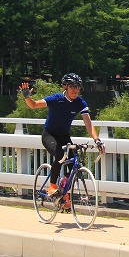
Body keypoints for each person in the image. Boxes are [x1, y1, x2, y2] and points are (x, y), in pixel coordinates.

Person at [19, 73, 105, 208]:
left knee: (73, 165)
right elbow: (34, 105)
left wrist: (97, 140)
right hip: (49, 135)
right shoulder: (56, 99)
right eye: (72, 86)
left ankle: (64, 191)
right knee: (60, 154)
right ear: (65, 86)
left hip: (64, 136)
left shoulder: (80, 102)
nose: (76, 90)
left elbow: (88, 124)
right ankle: (52, 185)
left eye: (78, 87)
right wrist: (27, 97)